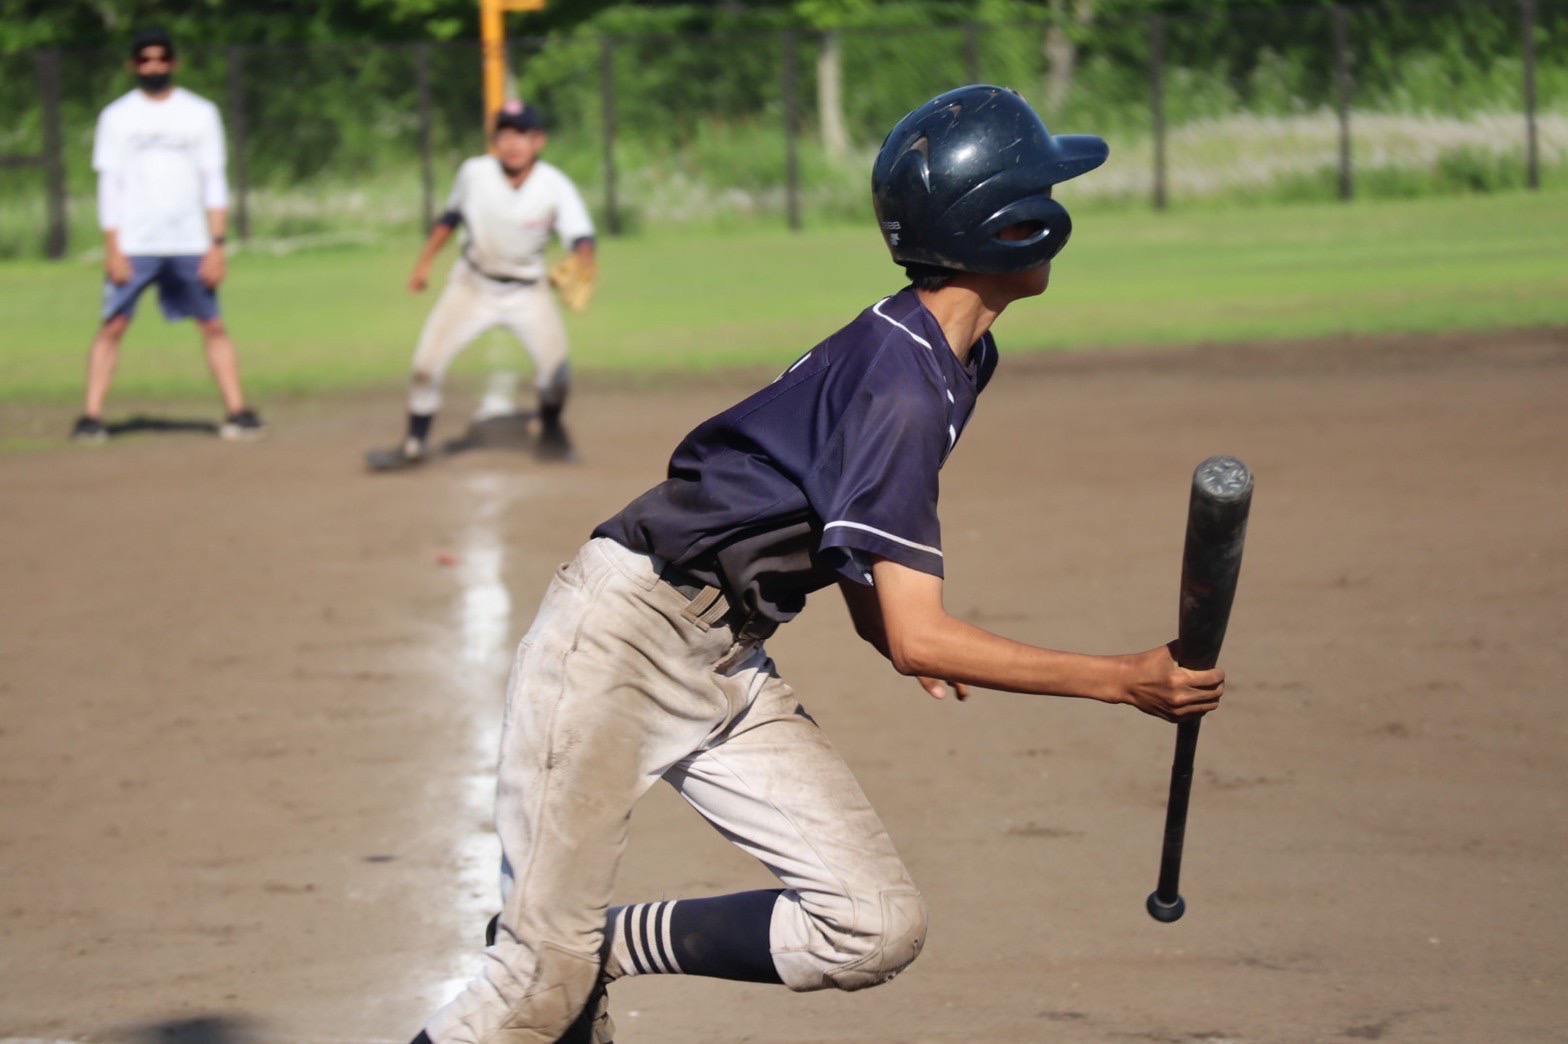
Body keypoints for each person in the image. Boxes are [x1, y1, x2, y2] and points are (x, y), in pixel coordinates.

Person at [406, 85, 1226, 1044]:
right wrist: (1124, 681)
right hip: (619, 642)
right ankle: (555, 956)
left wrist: (897, 633)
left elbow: (851, 542)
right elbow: (922, 636)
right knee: (530, 994)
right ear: (1008, 227)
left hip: (724, 658)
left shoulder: (954, 355)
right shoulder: (904, 383)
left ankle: (600, 948)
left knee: (870, 925)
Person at [369, 100, 596, 470]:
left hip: (528, 291)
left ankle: (551, 433)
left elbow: (581, 234)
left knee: (558, 376)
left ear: (538, 140)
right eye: (504, 133)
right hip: (472, 286)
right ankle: (413, 444)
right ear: (494, 140)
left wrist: (585, 258)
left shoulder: (553, 185)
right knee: (425, 365)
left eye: (521, 134)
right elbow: (450, 217)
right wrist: (424, 262)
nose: (512, 143)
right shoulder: (474, 173)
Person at [72, 27, 263, 444]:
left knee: (212, 324)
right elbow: (110, 185)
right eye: (145, 59)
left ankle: (238, 411)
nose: (153, 66)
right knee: (113, 325)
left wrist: (216, 245)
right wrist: (113, 247)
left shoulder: (200, 113)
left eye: (161, 58)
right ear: (133, 66)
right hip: (136, 243)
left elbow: (214, 180)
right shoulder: (117, 117)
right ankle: (91, 416)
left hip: (190, 242)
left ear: (173, 63)